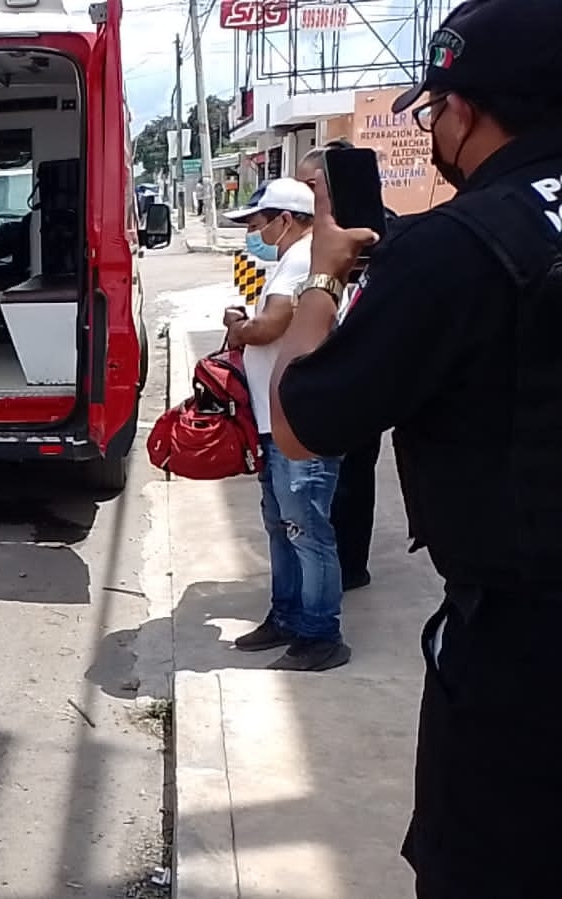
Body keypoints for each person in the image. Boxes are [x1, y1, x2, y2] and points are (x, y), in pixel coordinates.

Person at [268, 0, 562, 893]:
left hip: (525, 656)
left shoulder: (458, 249)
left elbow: (301, 419)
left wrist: (324, 276)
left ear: (466, 111)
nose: (434, 130)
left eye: (433, 111)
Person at [221, 177, 350, 672]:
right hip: (277, 423)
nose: (254, 232)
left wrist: (237, 327)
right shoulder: (291, 261)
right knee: (283, 527)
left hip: (300, 424)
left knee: (307, 531)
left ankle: (321, 634)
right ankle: (288, 616)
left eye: (258, 222)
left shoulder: (301, 262)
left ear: (287, 218)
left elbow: (270, 326)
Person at [294, 141, 386, 591]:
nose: (301, 193)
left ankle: (348, 565)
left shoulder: (374, 236)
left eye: (309, 184)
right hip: (333, 373)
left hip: (361, 376)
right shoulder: (311, 241)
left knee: (352, 477)